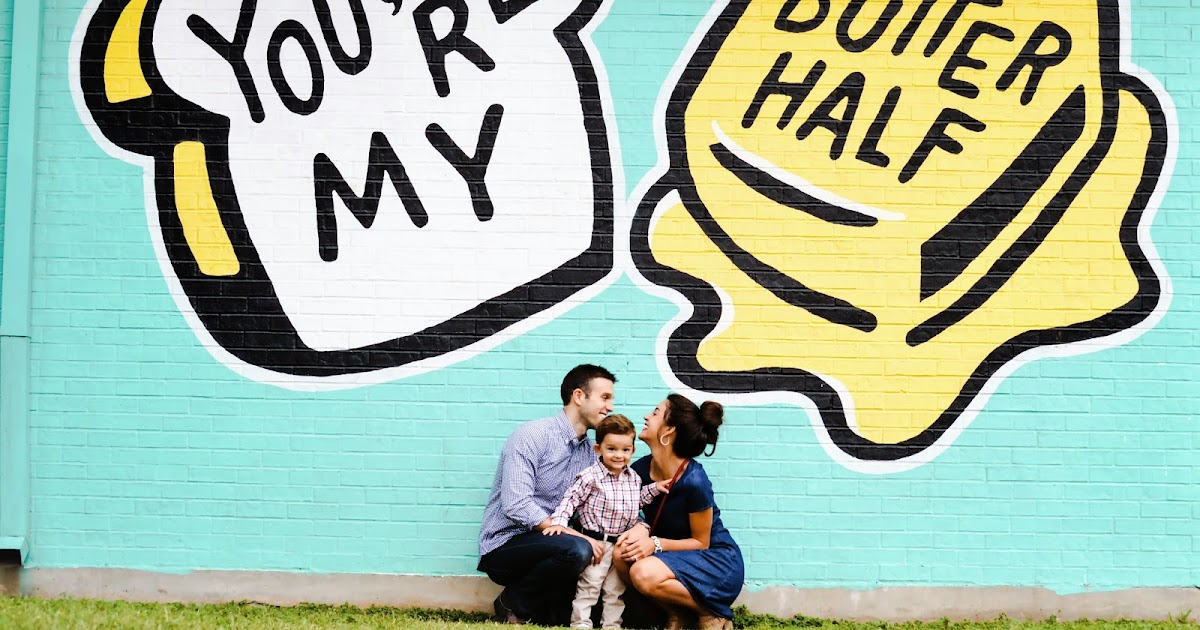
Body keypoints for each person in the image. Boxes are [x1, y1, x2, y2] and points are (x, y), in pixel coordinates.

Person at [477, 364, 617, 625]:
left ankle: (541, 606)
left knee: (585, 609)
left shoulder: (589, 453)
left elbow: (599, 503)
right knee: (577, 549)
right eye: (605, 397)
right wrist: (572, 533)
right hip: (507, 544)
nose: (609, 407)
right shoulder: (532, 435)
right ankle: (511, 603)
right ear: (578, 396)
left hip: (553, 544)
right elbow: (516, 504)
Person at [612, 394, 744, 630]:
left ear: (669, 430)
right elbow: (629, 510)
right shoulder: (639, 470)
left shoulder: (694, 480)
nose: (646, 416)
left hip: (714, 561)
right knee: (622, 553)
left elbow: (701, 542)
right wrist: (641, 528)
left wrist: (654, 543)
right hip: (670, 556)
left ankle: (710, 612)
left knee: (643, 572)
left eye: (655, 413)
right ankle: (676, 614)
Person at [543, 414, 672, 629]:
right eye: (611, 449)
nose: (618, 455)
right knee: (590, 587)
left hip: (620, 546)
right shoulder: (590, 477)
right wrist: (559, 521)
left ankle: (612, 625)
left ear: (632, 450)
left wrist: (653, 489)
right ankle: (581, 624)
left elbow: (635, 501)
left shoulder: (633, 478)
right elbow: (571, 499)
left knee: (615, 591)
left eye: (625, 450)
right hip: (597, 544)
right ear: (598, 449)